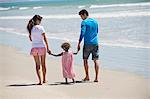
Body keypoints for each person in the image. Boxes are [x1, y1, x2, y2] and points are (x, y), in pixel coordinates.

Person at [27, 15, 51, 85]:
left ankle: (40, 81)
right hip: (41, 47)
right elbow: (45, 38)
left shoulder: (30, 28)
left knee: (37, 65)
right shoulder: (41, 28)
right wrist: (48, 48)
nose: (40, 22)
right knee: (43, 64)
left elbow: (31, 39)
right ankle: (44, 79)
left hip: (34, 48)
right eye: (40, 20)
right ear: (37, 20)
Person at [77, 9, 99, 82]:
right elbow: (97, 31)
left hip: (87, 44)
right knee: (95, 60)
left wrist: (79, 43)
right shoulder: (95, 22)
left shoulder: (84, 22)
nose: (81, 18)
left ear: (85, 14)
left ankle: (87, 76)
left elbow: (82, 33)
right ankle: (96, 78)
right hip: (95, 43)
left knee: (85, 60)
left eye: (81, 16)